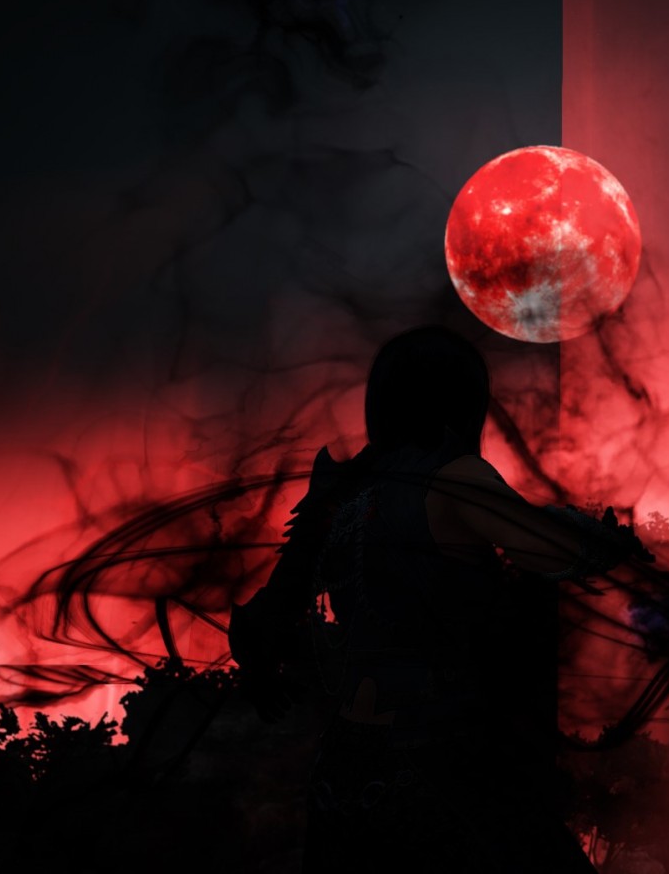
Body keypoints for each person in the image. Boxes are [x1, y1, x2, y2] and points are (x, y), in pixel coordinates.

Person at [229, 325, 632, 873]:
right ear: (463, 401)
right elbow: (553, 550)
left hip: (344, 772)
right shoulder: (453, 476)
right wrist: (608, 541)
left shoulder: (339, 493)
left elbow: (259, 621)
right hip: (442, 760)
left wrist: (262, 676)